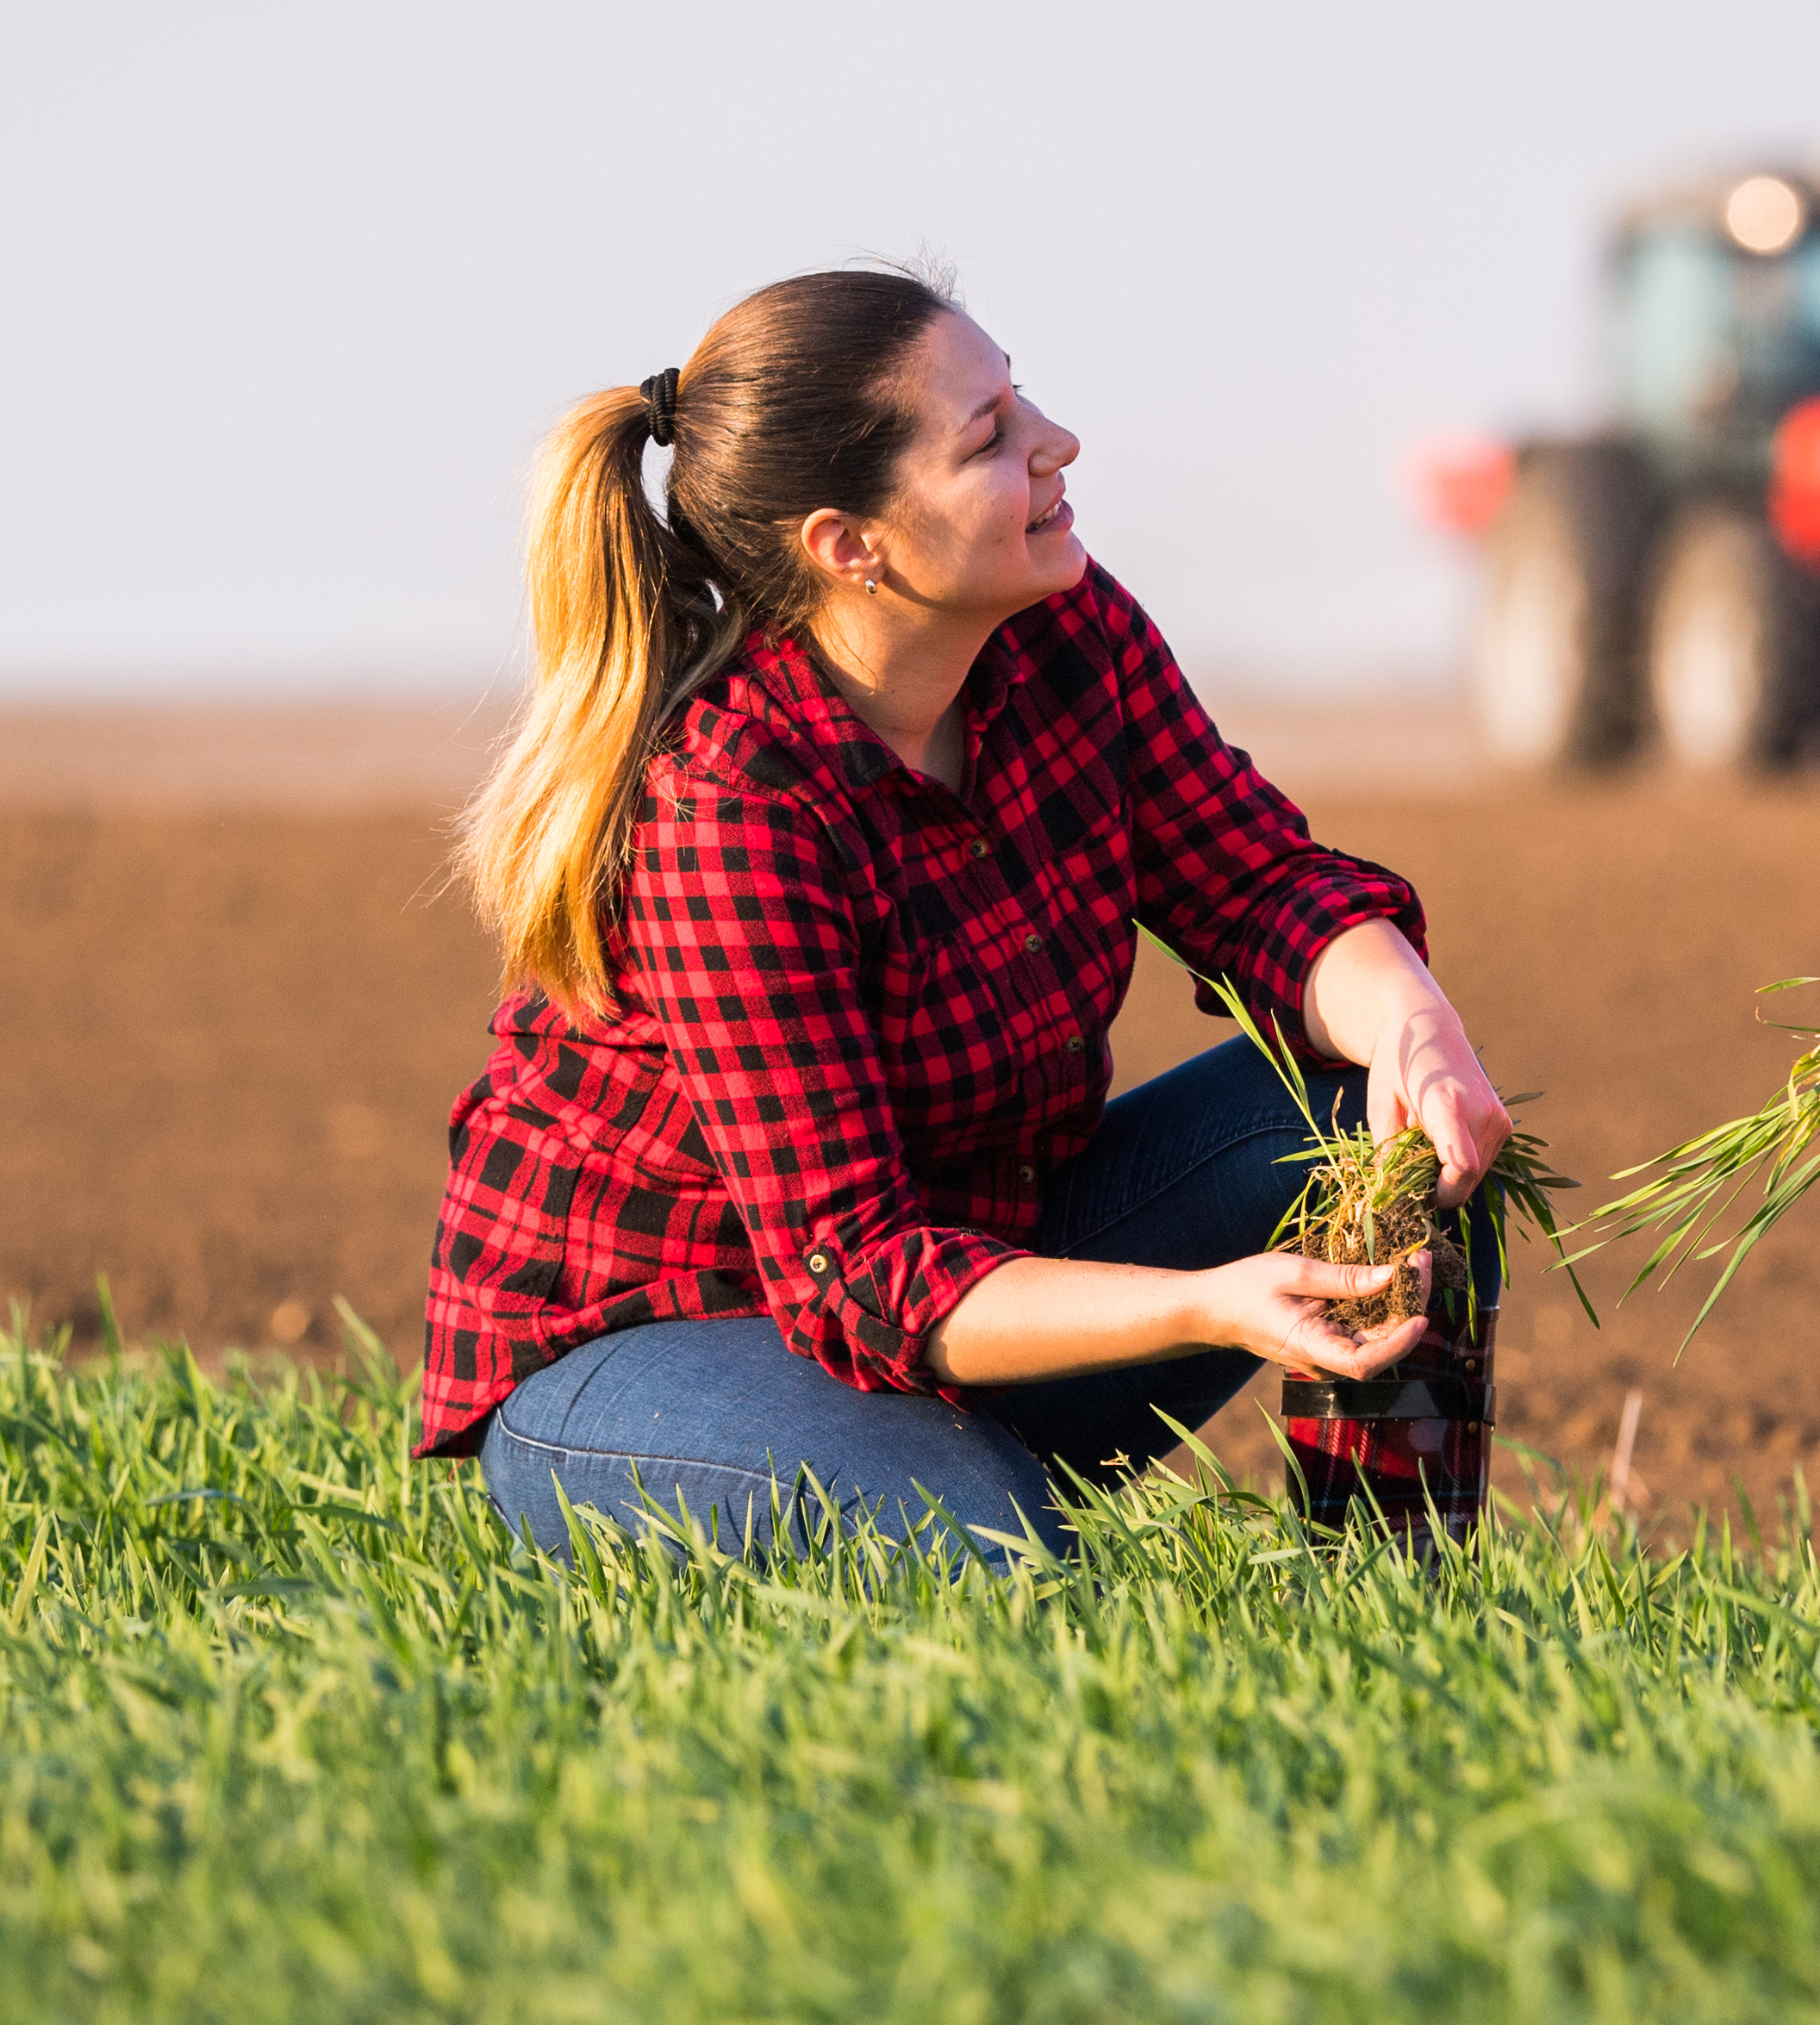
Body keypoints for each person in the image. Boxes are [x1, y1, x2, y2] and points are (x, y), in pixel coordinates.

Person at [419, 265, 1510, 1563]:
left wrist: (1417, 1027)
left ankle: (1392, 1598)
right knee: (1013, 1579)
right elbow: (861, 1270)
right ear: (850, 544)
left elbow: (1259, 884)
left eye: (1019, 395)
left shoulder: (1066, 634)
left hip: (961, 1272)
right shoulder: (728, 803)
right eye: (990, 437)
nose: (1057, 443)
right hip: (655, 1346)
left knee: (1384, 1129)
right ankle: (960, 1497)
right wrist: (1212, 1307)